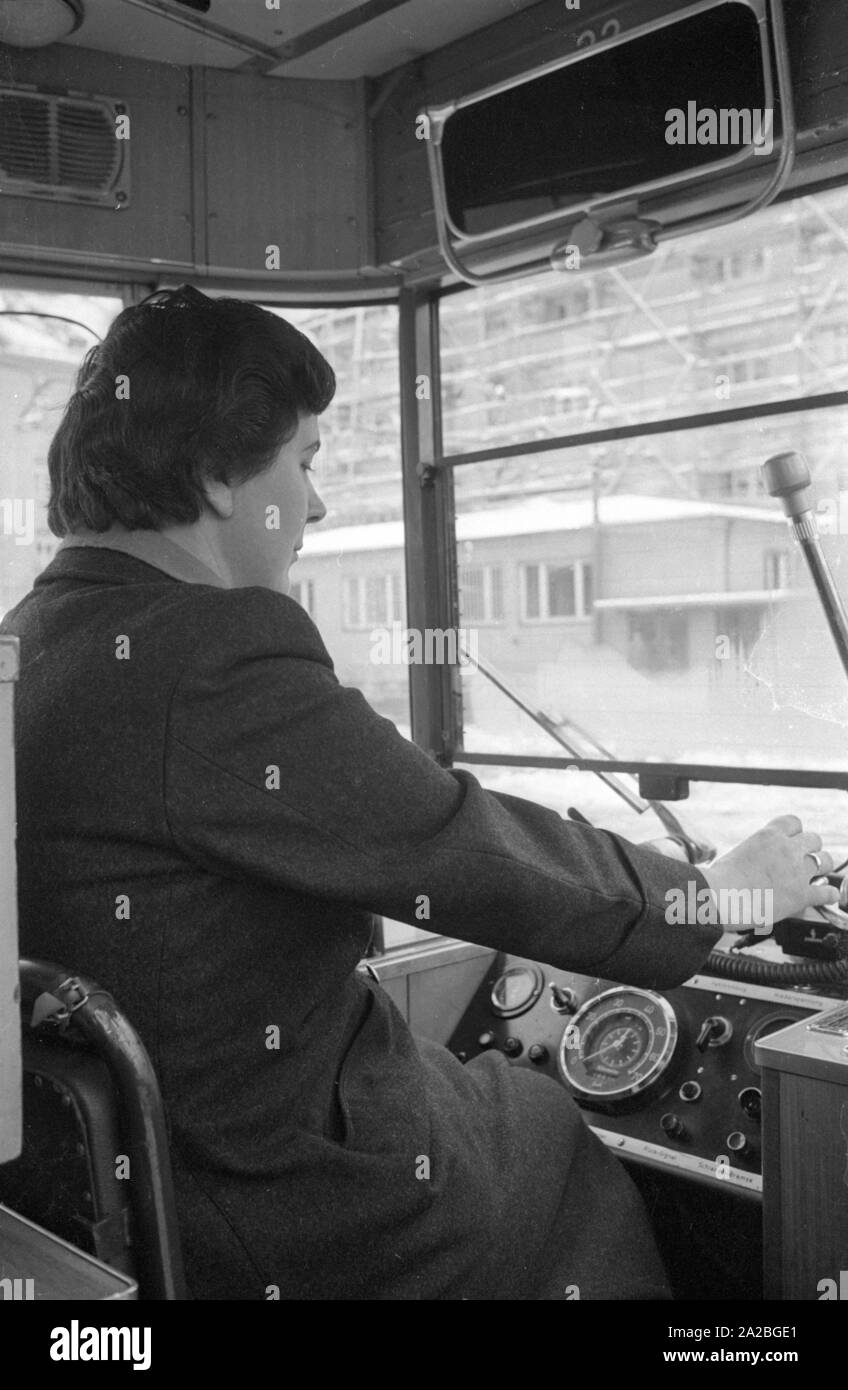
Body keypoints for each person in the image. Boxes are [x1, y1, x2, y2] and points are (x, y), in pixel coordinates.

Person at [0, 286, 837, 1300]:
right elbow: (452, 840)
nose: (314, 505)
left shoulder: (35, 638)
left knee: (488, 1092)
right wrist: (714, 893)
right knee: (546, 1131)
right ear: (220, 474)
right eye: (302, 464)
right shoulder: (211, 656)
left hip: (124, 1182)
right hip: (277, 1191)